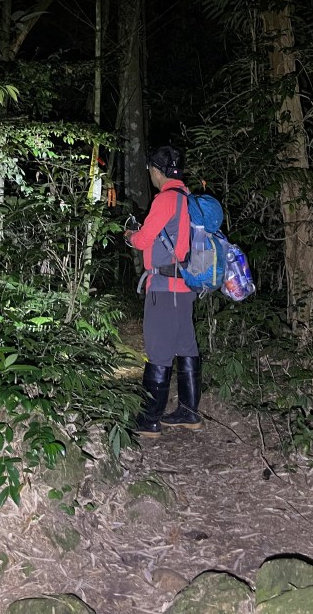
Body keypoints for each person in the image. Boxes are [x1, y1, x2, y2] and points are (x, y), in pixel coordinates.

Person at [123, 144, 204, 438]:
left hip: (164, 287)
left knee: (158, 351)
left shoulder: (165, 199)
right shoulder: (189, 198)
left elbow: (144, 240)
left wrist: (130, 235)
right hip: (186, 286)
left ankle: (150, 419)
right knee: (186, 347)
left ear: (156, 171)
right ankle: (189, 412)